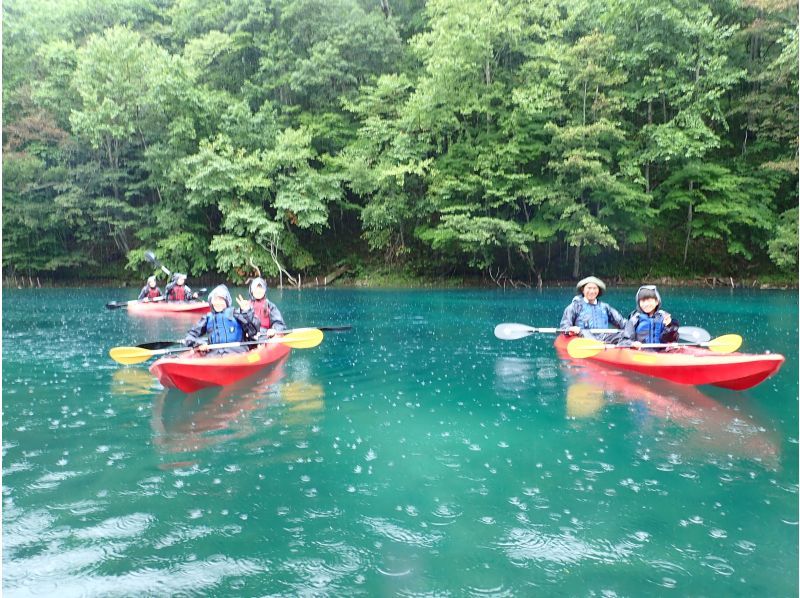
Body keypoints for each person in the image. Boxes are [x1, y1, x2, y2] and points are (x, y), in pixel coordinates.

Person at [183, 285, 260, 355]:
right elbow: (190, 336)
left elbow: (253, 330)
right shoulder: (207, 318)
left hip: (237, 352)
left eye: (221, 300)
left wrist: (247, 312)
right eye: (215, 300)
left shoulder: (236, 314)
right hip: (214, 354)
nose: (218, 303)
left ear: (226, 301)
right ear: (211, 302)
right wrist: (199, 343)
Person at [559, 276, 626, 343]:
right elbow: (565, 325)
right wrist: (570, 329)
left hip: (603, 337)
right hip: (582, 337)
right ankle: (598, 344)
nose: (592, 291)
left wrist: (632, 326)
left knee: (624, 334)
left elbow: (621, 321)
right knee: (584, 332)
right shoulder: (575, 306)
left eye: (595, 288)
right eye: (589, 288)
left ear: (598, 290)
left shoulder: (605, 307)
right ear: (583, 290)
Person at [618, 285, 679, 349]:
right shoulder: (634, 319)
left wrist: (669, 326)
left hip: (661, 354)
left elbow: (672, 339)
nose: (646, 304)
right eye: (643, 301)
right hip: (640, 354)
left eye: (649, 301)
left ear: (657, 302)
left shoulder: (664, 317)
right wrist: (632, 344)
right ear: (639, 303)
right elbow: (623, 341)